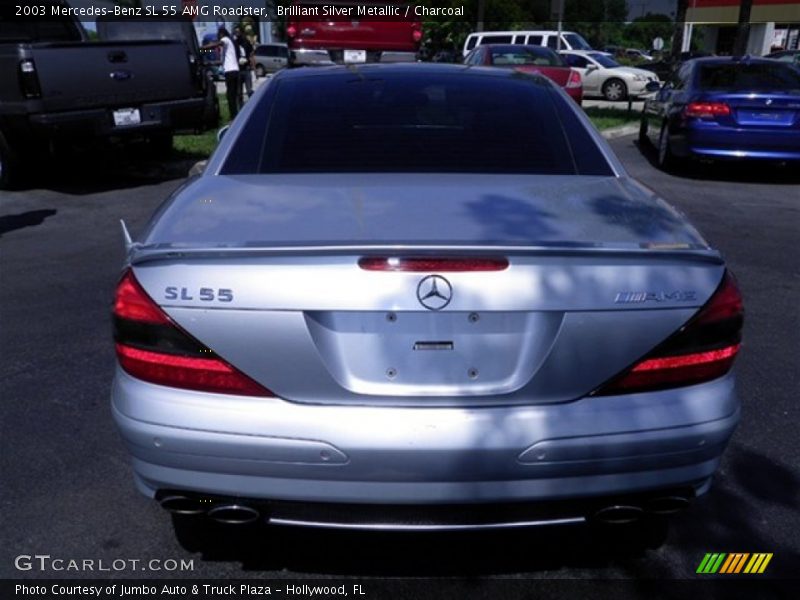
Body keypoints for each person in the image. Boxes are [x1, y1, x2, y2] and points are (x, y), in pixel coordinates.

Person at [203, 27, 240, 120]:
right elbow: (221, 61)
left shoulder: (225, 39)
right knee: (232, 95)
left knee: (230, 95)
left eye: (218, 34)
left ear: (221, 34)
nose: (218, 36)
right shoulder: (227, 47)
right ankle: (235, 114)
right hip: (235, 71)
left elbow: (216, 45)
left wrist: (202, 49)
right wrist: (210, 63)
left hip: (230, 72)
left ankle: (233, 116)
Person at [234, 26, 254, 101]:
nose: (237, 34)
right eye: (236, 32)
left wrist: (253, 68)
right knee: (239, 92)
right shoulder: (235, 43)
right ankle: (240, 108)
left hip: (246, 68)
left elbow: (251, 55)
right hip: (238, 69)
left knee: (249, 90)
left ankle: (252, 105)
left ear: (242, 32)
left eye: (238, 32)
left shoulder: (246, 42)